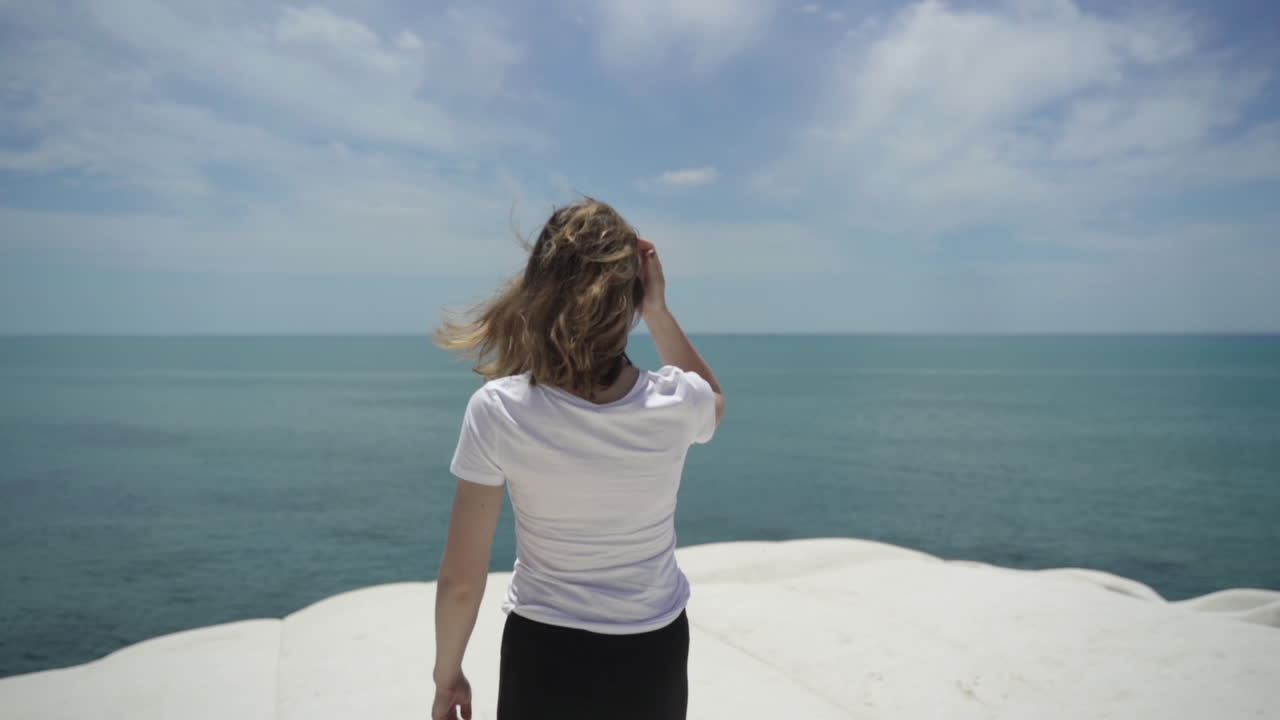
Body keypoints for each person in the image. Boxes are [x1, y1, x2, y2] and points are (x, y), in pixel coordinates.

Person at [428, 197, 725, 720]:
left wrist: (446, 675)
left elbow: (461, 581)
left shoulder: (500, 410)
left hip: (544, 657)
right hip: (651, 655)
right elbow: (713, 400)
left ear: (537, 290)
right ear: (630, 297)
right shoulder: (676, 404)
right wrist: (657, 308)